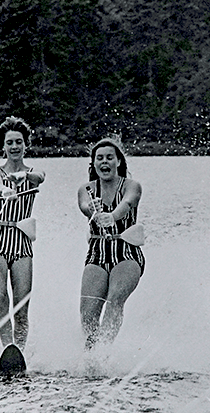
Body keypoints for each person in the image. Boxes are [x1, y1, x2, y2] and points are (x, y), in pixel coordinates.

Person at [77, 135, 144, 350]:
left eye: (109, 158)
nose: (104, 162)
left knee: (115, 299)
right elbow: (85, 206)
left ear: (118, 162)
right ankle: (91, 352)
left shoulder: (132, 186)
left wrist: (112, 216)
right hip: (97, 253)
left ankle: (104, 351)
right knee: (87, 313)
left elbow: (128, 202)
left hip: (126, 253)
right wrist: (93, 212)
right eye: (99, 158)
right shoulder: (86, 190)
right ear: (94, 163)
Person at [0, 116, 45, 351]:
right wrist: (6, 189)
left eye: (19, 141)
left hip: (21, 242)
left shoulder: (33, 171)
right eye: (9, 143)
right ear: (3, 147)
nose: (15, 146)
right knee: (1, 296)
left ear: (26, 144)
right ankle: (6, 347)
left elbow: (40, 176)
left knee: (21, 305)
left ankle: (18, 349)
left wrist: (25, 177)